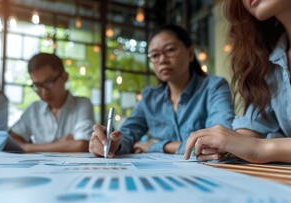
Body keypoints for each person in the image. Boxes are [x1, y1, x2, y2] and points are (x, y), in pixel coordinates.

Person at [89, 24, 234, 158]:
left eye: (170, 50)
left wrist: (159, 145)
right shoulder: (149, 97)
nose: (162, 60)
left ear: (190, 54)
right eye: (155, 55)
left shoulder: (214, 87)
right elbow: (127, 135)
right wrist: (112, 143)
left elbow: (220, 142)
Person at [184, 0, 291, 163]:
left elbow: (255, 144)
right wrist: (226, 144)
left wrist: (259, 148)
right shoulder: (270, 64)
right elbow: (254, 127)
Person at [9, 53, 95, 153]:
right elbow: (12, 139)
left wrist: (29, 147)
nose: (44, 91)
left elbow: (82, 145)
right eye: (37, 85)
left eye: (49, 82)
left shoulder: (82, 104)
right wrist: (62, 145)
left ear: (65, 77)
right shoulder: (34, 109)